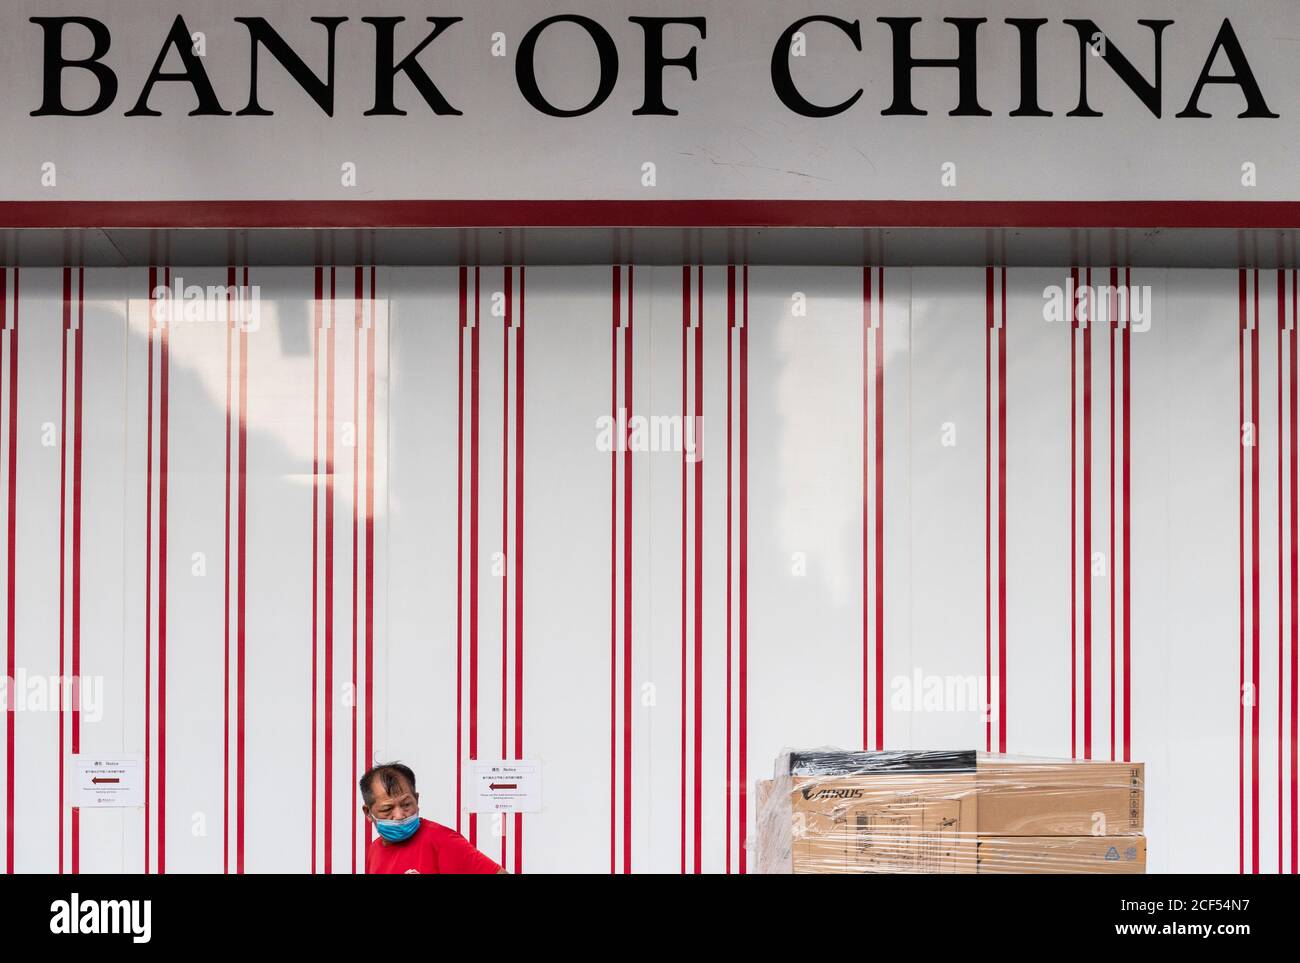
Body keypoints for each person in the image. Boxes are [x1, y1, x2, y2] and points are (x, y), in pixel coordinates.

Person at [360, 762, 506, 874]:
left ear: (416, 800)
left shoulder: (442, 840)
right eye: (387, 809)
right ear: (368, 813)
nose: (399, 815)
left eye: (406, 804)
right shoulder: (374, 850)